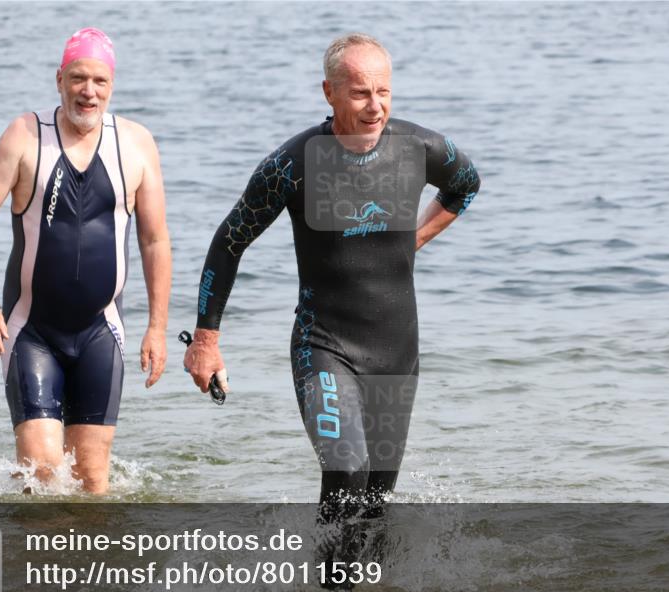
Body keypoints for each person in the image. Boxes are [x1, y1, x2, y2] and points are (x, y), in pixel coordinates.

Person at [184, 34, 480, 532]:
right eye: (361, 93)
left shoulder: (418, 147)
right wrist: (206, 340)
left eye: (383, 92)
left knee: (374, 506)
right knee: (346, 471)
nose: (375, 107)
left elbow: (465, 184)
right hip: (325, 346)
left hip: (396, 350)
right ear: (329, 92)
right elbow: (229, 241)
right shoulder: (295, 163)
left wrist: (415, 241)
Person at [0, 28, 171, 494]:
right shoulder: (25, 135)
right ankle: (34, 562)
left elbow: (154, 240)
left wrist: (157, 326)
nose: (88, 91)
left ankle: (86, 565)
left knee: (93, 481)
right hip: (31, 329)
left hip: (100, 330)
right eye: (78, 78)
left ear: (111, 85)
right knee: (43, 472)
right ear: (59, 79)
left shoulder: (135, 144)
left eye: (99, 81)